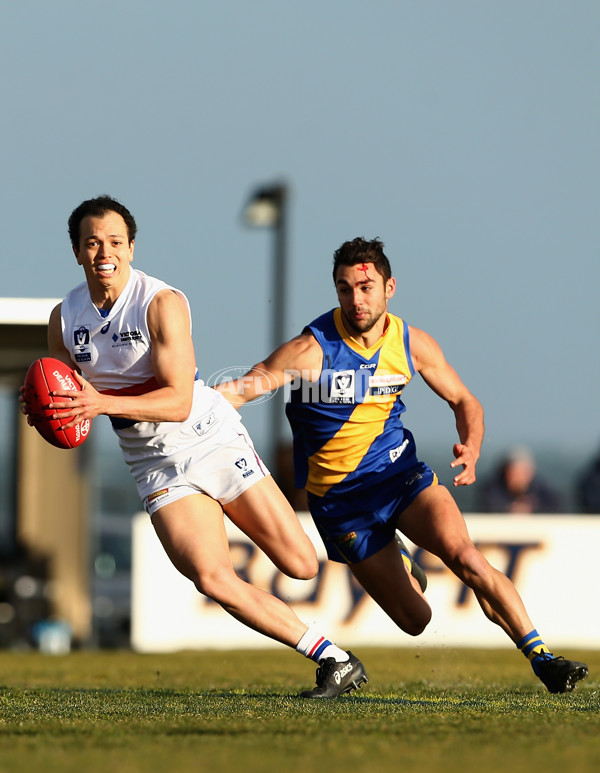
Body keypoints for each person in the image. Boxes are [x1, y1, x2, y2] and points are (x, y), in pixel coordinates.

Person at [20, 195, 368, 699]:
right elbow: (71, 403)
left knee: (302, 564)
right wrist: (51, 413)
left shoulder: (161, 303)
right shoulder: (64, 318)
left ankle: (383, 543)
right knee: (212, 577)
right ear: (76, 252)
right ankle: (334, 659)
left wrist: (97, 402)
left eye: (115, 241)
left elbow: (179, 400)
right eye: (92, 242)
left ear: (132, 248)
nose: (104, 252)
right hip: (152, 461)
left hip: (208, 437)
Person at [218, 237, 588, 695]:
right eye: (345, 289)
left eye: (366, 286)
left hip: (400, 477)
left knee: (466, 558)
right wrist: (180, 405)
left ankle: (543, 659)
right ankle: (400, 551)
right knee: (416, 619)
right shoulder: (311, 350)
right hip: (340, 504)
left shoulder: (412, 344)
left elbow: (464, 400)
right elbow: (243, 388)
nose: (356, 299)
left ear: (389, 287)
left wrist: (471, 446)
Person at [478, 446, 563, 514]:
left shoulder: (544, 493)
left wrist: (533, 508)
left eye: (522, 472)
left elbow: (556, 509)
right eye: (514, 473)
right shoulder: (492, 490)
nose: (518, 477)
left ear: (531, 473)